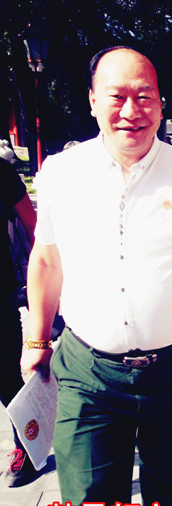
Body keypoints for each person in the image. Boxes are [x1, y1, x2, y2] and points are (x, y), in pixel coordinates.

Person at [21, 46, 172, 506]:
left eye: (145, 96)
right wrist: (36, 340)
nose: (132, 110)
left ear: (162, 104)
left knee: (167, 493)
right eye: (117, 96)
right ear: (92, 101)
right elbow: (46, 260)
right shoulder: (61, 174)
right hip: (88, 371)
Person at [0, 150, 38, 487]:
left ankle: (25, 445)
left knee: (7, 378)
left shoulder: (1, 171)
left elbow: (32, 225)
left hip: (1, 296)